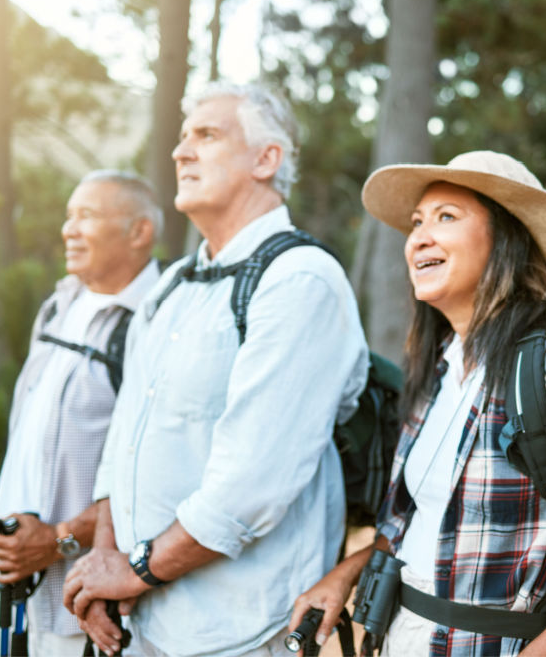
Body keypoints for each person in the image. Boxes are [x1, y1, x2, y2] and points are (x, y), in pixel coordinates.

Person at [289, 151, 546, 657]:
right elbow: (410, 520)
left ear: (510, 240)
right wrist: (346, 575)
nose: (418, 237)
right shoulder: (438, 365)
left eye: (447, 217)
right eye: (417, 222)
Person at [61, 82, 369, 657]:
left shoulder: (300, 280)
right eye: (181, 138)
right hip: (144, 625)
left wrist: (133, 571)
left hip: (238, 630)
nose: (181, 152)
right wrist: (105, 560)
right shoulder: (172, 285)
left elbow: (251, 484)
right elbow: (123, 442)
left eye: (206, 135)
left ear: (266, 159)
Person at [0, 170, 163, 655]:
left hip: (86, 610)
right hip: (12, 596)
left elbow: (148, 468)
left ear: (139, 232)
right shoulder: (58, 306)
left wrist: (60, 539)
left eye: (88, 216)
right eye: (68, 216)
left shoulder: (156, 322)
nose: (69, 230)